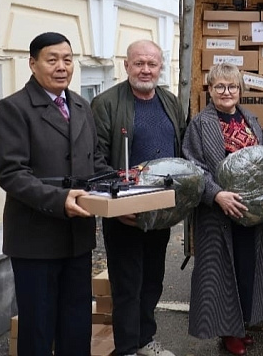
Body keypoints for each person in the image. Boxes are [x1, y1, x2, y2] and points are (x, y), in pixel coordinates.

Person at [0, 32, 109, 356]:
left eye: (68, 60)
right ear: (32, 63)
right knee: (38, 331)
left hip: (77, 238)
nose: (62, 67)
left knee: (76, 326)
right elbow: (11, 173)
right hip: (35, 241)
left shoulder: (83, 107)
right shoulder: (13, 109)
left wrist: (121, 191)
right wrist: (59, 200)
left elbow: (96, 163)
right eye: (52, 59)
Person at [91, 39, 186, 356]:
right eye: (139, 63)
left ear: (161, 67)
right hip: (125, 212)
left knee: (152, 281)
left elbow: (181, 152)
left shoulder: (170, 102)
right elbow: (96, 160)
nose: (146, 69)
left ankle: (145, 340)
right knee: (127, 284)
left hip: (159, 212)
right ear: (127, 65)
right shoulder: (106, 104)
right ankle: (127, 348)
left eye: (152, 64)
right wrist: (116, 206)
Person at [181, 63, 263, 356]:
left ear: (240, 90)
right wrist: (217, 195)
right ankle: (227, 332)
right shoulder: (200, 123)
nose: (226, 92)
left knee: (246, 269)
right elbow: (193, 167)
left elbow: (262, 159)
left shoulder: (251, 120)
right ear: (209, 89)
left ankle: (241, 325)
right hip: (217, 212)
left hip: (248, 210)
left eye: (232, 86)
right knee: (218, 274)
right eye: (219, 86)